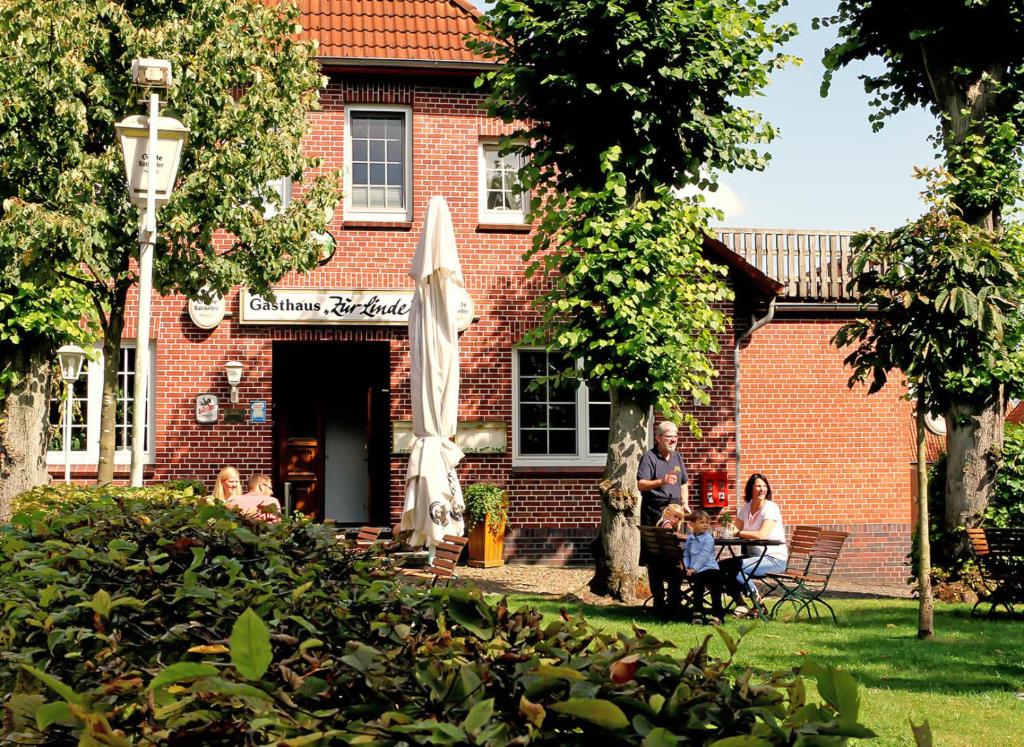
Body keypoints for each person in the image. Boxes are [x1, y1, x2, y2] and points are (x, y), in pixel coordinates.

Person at [638, 421, 689, 616]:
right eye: (669, 436)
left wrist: (684, 501)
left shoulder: (677, 456)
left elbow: (684, 482)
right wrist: (662, 481)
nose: (674, 439)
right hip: (655, 512)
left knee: (675, 556)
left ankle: (675, 600)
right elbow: (641, 484)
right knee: (656, 559)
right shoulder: (649, 458)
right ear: (658, 438)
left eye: (675, 436)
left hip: (675, 512)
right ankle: (659, 602)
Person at [720, 473, 788, 616]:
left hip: (774, 559)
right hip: (754, 557)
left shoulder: (771, 508)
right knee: (720, 567)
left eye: (764, 486)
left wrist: (738, 533)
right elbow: (734, 529)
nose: (762, 489)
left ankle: (759, 604)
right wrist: (727, 530)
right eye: (758, 486)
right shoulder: (746, 508)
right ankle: (741, 604)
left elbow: (762, 535)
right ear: (751, 489)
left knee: (736, 568)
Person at [683, 509, 724, 624]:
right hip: (695, 571)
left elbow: (704, 555)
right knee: (697, 588)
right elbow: (686, 554)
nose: (705, 525)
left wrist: (693, 568)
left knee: (715, 588)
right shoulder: (690, 539)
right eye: (702, 522)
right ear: (691, 525)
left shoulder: (708, 539)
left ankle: (718, 615)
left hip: (709, 568)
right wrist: (686, 567)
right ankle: (697, 612)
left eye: (707, 522)